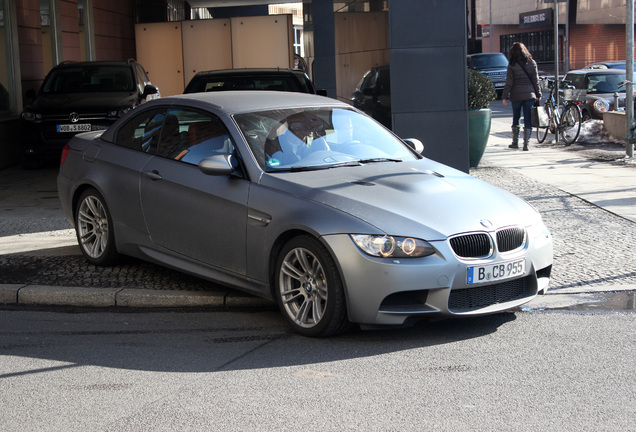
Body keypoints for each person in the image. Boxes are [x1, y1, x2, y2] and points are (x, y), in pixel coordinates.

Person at [502, 42, 542, 151]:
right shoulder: (532, 63)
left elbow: (509, 82)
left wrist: (505, 96)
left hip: (516, 95)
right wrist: (538, 94)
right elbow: (536, 80)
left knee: (516, 117)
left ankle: (515, 142)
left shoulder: (512, 64)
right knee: (528, 119)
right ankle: (526, 145)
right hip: (529, 95)